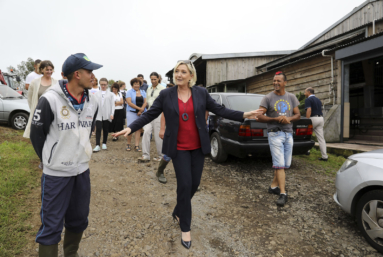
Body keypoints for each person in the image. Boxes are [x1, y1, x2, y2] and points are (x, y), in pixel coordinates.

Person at [112, 60, 260, 249]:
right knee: (185, 184)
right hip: (179, 147)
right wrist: (131, 127)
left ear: (191, 75)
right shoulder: (166, 94)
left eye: (183, 72)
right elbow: (150, 114)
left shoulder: (201, 93)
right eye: (177, 71)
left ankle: (177, 210)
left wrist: (244, 115)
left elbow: (220, 110)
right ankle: (185, 227)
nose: (179, 74)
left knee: (194, 184)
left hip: (197, 147)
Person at [30, 53, 102, 256]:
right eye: (90, 71)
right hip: (56, 175)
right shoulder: (50, 99)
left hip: (82, 171)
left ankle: (71, 253)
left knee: (79, 218)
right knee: (51, 225)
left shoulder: (93, 101)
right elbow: (37, 136)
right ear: (77, 74)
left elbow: (88, 130)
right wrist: (51, 160)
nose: (93, 76)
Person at [256, 71, 301, 207]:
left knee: (285, 164)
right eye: (274, 81)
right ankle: (283, 193)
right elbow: (259, 116)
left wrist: (289, 118)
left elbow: (298, 114)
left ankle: (273, 186)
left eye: (278, 81)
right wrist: (275, 119)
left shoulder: (291, 97)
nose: (275, 83)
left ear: (285, 83)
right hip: (275, 134)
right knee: (280, 164)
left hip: (288, 134)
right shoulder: (268, 98)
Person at [24, 60, 57, 140]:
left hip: (51, 113)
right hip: (38, 113)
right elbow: (30, 98)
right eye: (47, 70)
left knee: (51, 135)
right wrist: (34, 110)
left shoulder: (56, 82)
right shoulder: (34, 82)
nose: (49, 71)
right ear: (42, 70)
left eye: (51, 69)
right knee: (38, 136)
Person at [138, 72, 166, 162]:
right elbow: (147, 101)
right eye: (152, 79)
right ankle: (145, 155)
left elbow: (165, 103)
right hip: (149, 113)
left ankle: (161, 156)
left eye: (155, 79)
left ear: (158, 79)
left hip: (159, 114)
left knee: (158, 134)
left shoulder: (163, 89)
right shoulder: (149, 89)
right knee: (146, 131)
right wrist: (142, 109)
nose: (153, 81)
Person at [305, 87, 328, 161]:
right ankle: (325, 156)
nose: (304, 94)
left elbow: (309, 110)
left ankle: (306, 151)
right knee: (321, 139)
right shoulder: (318, 100)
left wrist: (306, 120)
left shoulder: (308, 99)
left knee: (306, 134)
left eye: (305, 92)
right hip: (321, 118)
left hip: (313, 119)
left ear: (308, 92)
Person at [93, 78, 115, 152]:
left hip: (107, 114)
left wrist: (112, 113)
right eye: (102, 84)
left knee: (106, 129)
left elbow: (113, 105)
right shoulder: (96, 94)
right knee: (98, 129)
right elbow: (94, 105)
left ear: (107, 84)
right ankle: (97, 145)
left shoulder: (111, 94)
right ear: (100, 84)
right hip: (98, 114)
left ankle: (104, 143)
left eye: (104, 84)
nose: (103, 86)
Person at [125, 78, 147, 151]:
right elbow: (129, 103)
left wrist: (141, 110)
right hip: (131, 112)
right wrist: (139, 109)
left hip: (141, 113)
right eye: (135, 84)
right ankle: (128, 144)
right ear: (132, 85)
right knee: (130, 128)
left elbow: (145, 102)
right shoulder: (129, 92)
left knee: (139, 129)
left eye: (138, 84)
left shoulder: (143, 92)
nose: (136, 85)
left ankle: (136, 145)